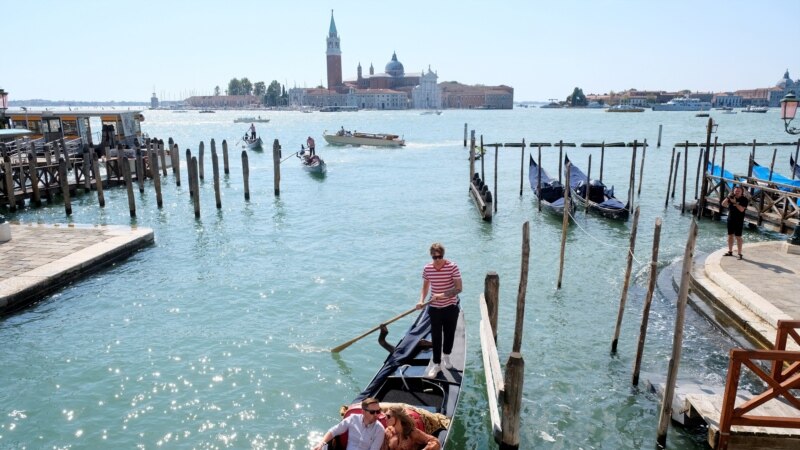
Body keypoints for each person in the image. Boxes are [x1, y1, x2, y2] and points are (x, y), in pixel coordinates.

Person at [417, 243, 462, 378]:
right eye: (434, 257)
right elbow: (425, 287)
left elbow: (459, 288)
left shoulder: (452, 267)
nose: (437, 259)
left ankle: (446, 356)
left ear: (443, 255)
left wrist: (441, 295)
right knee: (436, 337)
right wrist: (421, 301)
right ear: (431, 256)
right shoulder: (427, 269)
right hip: (434, 308)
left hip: (450, 307)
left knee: (449, 334)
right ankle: (436, 364)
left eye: (440, 256)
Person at [313, 397, 385, 450]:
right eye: (372, 412)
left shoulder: (380, 430)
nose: (376, 415)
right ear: (363, 412)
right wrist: (321, 443)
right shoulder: (353, 419)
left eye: (378, 411)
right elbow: (334, 431)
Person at [721, 185, 748, 260]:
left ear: (742, 192)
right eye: (736, 191)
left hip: (739, 220)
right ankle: (730, 251)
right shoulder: (731, 197)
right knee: (730, 236)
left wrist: (735, 203)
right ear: (733, 191)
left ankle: (739, 253)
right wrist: (728, 197)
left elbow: (742, 210)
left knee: (738, 237)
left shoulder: (744, 199)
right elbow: (723, 204)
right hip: (730, 219)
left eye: (739, 191)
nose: (737, 192)